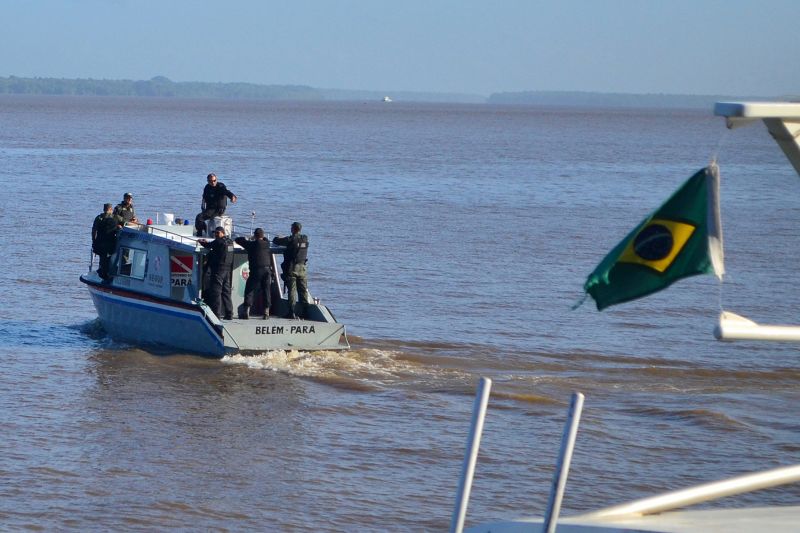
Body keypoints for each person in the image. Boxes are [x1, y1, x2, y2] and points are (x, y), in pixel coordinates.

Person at [272, 221, 309, 319]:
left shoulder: (291, 239)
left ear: (293, 229)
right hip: (303, 268)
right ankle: (305, 311)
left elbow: (276, 241)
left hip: (292, 268)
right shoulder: (305, 238)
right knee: (303, 290)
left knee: (292, 291)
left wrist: (280, 237)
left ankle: (292, 312)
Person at [234, 228, 272, 319]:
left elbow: (238, 240)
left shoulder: (251, 244)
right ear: (262, 236)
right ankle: (266, 312)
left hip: (256, 270)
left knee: (249, 290)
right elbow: (266, 240)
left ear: (255, 235)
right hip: (267, 270)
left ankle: (246, 311)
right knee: (266, 290)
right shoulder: (267, 244)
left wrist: (249, 239)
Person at [198, 226, 235, 320]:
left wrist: (201, 242)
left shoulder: (218, 241)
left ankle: (216, 315)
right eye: (215, 233)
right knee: (226, 292)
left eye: (218, 233)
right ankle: (229, 313)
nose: (216, 235)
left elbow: (208, 245)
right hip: (227, 270)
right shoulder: (230, 242)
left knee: (216, 292)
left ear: (223, 233)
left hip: (219, 270)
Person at [92, 203, 119, 280]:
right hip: (111, 242)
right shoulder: (115, 217)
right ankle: (107, 275)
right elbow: (124, 221)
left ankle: (103, 274)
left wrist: (94, 241)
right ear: (111, 209)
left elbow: (94, 231)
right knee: (109, 259)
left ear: (104, 209)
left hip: (100, 242)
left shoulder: (98, 218)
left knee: (102, 258)